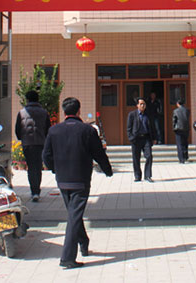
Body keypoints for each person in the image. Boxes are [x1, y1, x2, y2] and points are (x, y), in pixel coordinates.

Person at [42, 97, 113, 269]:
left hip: (62, 180)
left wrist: (54, 168)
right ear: (79, 111)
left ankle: (83, 242)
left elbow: (46, 156)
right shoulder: (87, 130)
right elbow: (98, 153)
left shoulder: (54, 131)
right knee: (74, 216)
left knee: (74, 214)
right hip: (80, 180)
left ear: (64, 112)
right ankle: (67, 257)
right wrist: (107, 170)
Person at [14, 90, 51, 202]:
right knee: (38, 167)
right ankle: (37, 191)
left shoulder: (21, 113)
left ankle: (33, 191)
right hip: (40, 143)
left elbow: (17, 129)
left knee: (30, 167)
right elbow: (48, 128)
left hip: (27, 143)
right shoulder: (44, 112)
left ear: (27, 99)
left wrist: (22, 138)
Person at [126, 98, 155, 182]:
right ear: (137, 105)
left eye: (144, 104)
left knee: (149, 156)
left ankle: (148, 176)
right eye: (141, 104)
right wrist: (131, 138)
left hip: (146, 138)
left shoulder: (148, 115)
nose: (143, 105)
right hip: (136, 139)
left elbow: (152, 127)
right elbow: (129, 128)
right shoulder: (132, 115)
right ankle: (137, 176)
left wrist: (154, 138)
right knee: (136, 158)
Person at [172, 99, 190, 163]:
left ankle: (181, 159)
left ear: (177, 104)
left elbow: (174, 120)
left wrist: (174, 127)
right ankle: (186, 157)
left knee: (179, 144)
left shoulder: (176, 111)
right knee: (185, 143)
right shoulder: (187, 110)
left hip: (179, 129)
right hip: (186, 128)